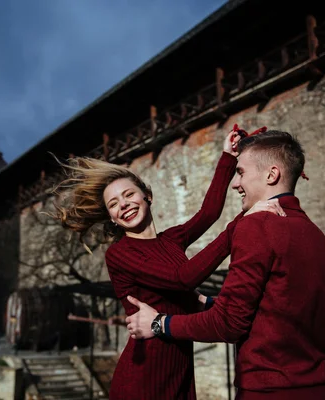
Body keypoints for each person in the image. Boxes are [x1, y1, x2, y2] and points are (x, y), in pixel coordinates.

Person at [52, 130, 284, 400]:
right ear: (112, 218)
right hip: (144, 378)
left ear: (147, 195)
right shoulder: (120, 254)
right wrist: (240, 225)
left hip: (180, 367)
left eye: (129, 195)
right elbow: (182, 278)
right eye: (114, 204)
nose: (124, 205)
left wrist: (228, 157)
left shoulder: (172, 238)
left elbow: (208, 213)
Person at [126, 130, 325, 400]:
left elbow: (229, 324)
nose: (236, 184)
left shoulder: (256, 226)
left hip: (267, 392)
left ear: (271, 175)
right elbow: (278, 307)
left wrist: (158, 324)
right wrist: (209, 303)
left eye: (241, 172)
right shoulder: (315, 234)